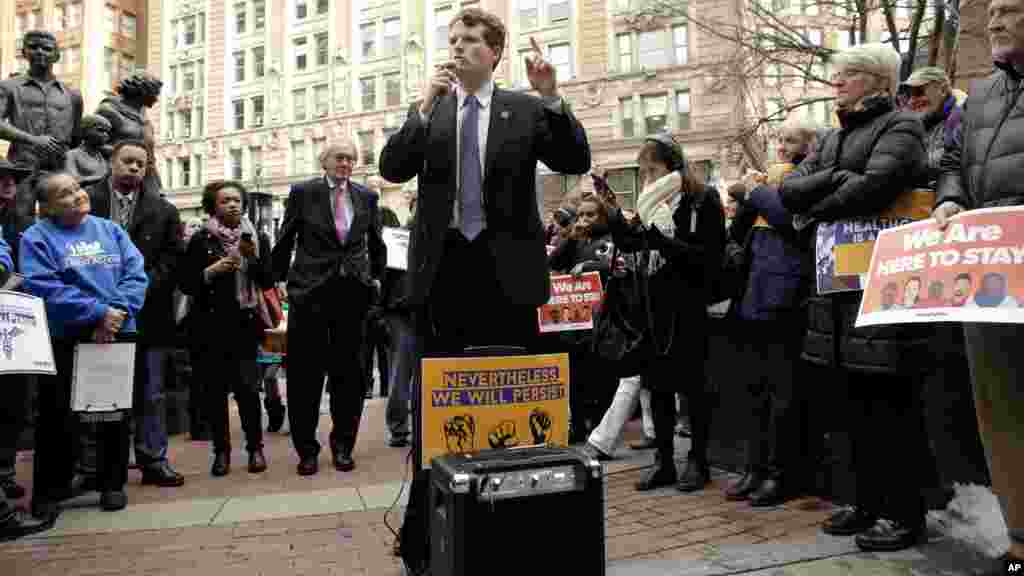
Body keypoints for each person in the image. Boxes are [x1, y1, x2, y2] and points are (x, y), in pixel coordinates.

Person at [378, 7, 590, 570]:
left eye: (470, 39)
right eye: (452, 39)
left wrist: (552, 95)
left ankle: (514, 527)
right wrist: (421, 108)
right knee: (437, 409)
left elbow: (575, 158)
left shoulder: (524, 107)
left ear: (494, 51)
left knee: (516, 402)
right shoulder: (432, 109)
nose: (457, 47)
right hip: (442, 278)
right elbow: (394, 168)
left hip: (509, 280)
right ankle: (425, 537)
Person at [736, 43, 933, 552]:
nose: (836, 83)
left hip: (884, 285)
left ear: (876, 80)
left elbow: (875, 187)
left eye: (847, 75)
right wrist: (837, 180)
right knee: (853, 407)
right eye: (837, 75)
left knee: (891, 406)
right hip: (835, 290)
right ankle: (866, 502)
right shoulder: (832, 135)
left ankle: (904, 513)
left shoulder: (901, 127)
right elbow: (789, 190)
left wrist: (822, 200)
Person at [935, 3, 1024, 569]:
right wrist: (950, 197)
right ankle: (1019, 539)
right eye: (991, 12)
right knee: (999, 409)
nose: (994, 22)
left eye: (1011, 11)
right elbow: (950, 158)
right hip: (990, 271)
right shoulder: (981, 94)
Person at [22, 172, 148, 518]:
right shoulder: (37, 237)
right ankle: (51, 489)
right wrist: (96, 314)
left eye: (77, 188)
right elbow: (42, 286)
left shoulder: (110, 230)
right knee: (56, 415)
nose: (77, 196)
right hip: (67, 336)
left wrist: (116, 314)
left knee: (113, 412)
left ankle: (111, 484)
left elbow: (136, 274)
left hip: (117, 330)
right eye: (65, 194)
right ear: (46, 207)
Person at [607, 133, 725, 494]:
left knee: (693, 389)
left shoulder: (702, 199)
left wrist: (665, 242)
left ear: (673, 166)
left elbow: (709, 257)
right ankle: (663, 462)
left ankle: (698, 461)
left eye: (653, 169)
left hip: (688, 306)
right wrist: (613, 214)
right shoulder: (649, 204)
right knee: (656, 387)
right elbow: (631, 244)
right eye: (644, 172)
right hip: (653, 307)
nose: (649, 179)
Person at [270, 141, 386, 476]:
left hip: (352, 296)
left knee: (350, 376)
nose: (346, 163)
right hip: (310, 295)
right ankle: (306, 450)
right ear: (324, 161)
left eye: (351, 157)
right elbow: (285, 237)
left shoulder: (367, 196)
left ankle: (343, 445)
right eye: (340, 157)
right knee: (305, 376)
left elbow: (376, 243)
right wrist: (277, 281)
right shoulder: (303, 192)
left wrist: (376, 280)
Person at [724, 119, 816, 507]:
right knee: (755, 391)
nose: (781, 145)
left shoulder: (807, 177)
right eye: (779, 138)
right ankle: (754, 468)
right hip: (754, 297)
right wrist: (746, 196)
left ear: (809, 145)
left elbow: (790, 222)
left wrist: (758, 190)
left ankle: (782, 474)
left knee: (783, 394)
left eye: (790, 139)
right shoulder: (769, 182)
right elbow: (737, 234)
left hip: (786, 298)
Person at [85, 140, 185, 487]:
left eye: (140, 164)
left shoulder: (164, 211)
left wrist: (135, 289)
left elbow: (173, 261)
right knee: (95, 390)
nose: (133, 168)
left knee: (150, 391)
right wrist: (103, 297)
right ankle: (93, 468)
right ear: (112, 162)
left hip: (148, 315)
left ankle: (153, 460)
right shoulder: (85, 200)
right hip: (94, 314)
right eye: (127, 161)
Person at [181, 181, 274, 476]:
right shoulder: (200, 240)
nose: (232, 205)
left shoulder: (256, 237)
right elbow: (186, 283)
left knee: (248, 390)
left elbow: (269, 280)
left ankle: (255, 449)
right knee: (215, 393)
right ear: (213, 207)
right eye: (225, 201)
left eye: (236, 200)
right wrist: (211, 271)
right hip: (209, 327)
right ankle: (221, 453)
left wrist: (252, 258)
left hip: (245, 325)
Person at [0, 30, 83, 222]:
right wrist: (33, 139)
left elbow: (77, 138)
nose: (40, 52)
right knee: (19, 219)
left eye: (47, 49)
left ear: (56, 55)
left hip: (59, 168)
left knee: (61, 220)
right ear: (24, 52)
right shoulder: (9, 87)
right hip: (23, 166)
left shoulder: (73, 95)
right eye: (34, 47)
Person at [0, 160, 35, 504]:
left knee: (14, 401)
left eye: (12, 179)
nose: (9, 184)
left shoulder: (22, 222)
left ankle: (5, 472)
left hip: (15, 322)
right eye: (3, 179)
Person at [95, 74, 164, 198]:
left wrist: (156, 183)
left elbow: (150, 157)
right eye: (154, 94)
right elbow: (94, 144)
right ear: (142, 92)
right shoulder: (109, 110)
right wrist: (121, 155)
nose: (156, 99)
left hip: (145, 177)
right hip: (116, 178)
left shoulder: (143, 118)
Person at [902, 66, 962, 189]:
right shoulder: (925, 121)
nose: (911, 101)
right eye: (909, 95)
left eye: (919, 92)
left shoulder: (960, 117)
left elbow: (951, 159)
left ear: (943, 90)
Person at [65, 115, 112, 188]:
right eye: (100, 130)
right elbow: (72, 181)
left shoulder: (104, 157)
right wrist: (104, 178)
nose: (106, 135)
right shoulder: (72, 155)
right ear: (85, 130)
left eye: (107, 132)